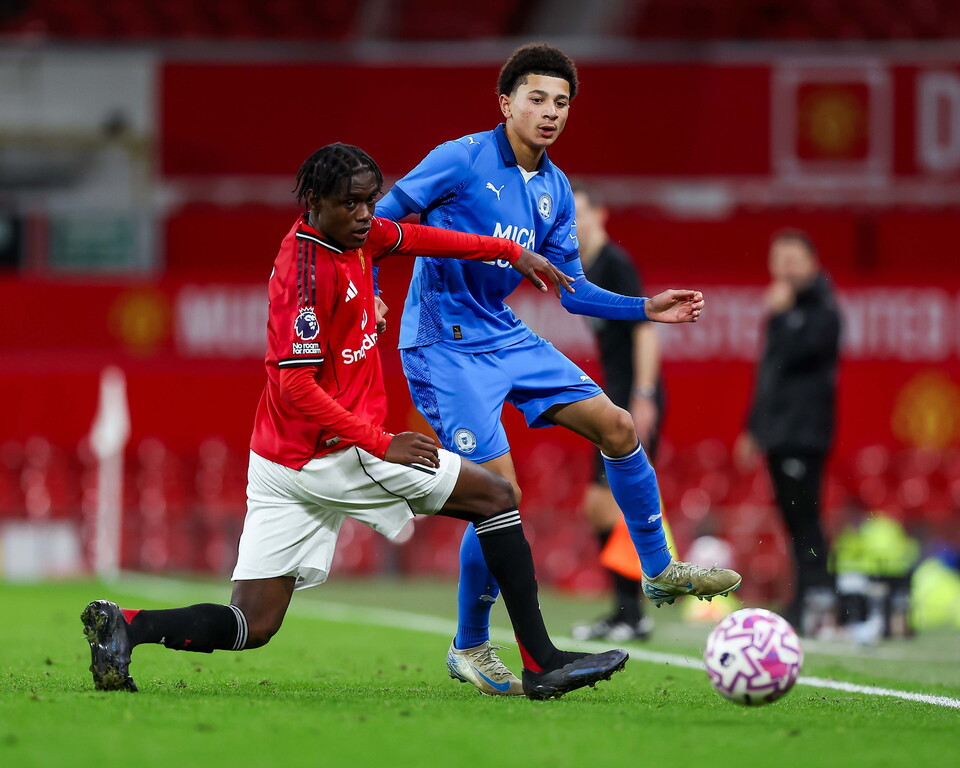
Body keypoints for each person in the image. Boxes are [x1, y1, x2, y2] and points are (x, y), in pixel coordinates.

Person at [81, 143, 629, 701]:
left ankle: (129, 627)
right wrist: (381, 442)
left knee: (253, 622)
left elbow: (423, 238)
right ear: (314, 203)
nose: (366, 214)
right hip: (335, 452)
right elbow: (296, 386)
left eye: (370, 200)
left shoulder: (355, 237)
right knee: (497, 496)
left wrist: (509, 252)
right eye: (351, 204)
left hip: (278, 459)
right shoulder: (304, 275)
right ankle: (540, 662)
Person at [375, 43, 741, 696]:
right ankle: (471, 644)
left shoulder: (555, 188)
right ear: (506, 103)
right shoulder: (460, 159)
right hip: (442, 346)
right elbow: (379, 221)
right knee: (499, 496)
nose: (550, 112)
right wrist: (370, 291)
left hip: (504, 334)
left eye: (562, 103)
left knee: (619, 427)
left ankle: (658, 571)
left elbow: (573, 292)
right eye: (537, 98)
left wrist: (643, 308)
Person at [568, 180, 663, 644]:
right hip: (614, 396)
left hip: (629, 399)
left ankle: (632, 613)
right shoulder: (583, 270)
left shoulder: (614, 264)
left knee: (611, 504)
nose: (573, 222)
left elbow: (645, 331)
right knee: (598, 506)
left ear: (600, 215)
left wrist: (643, 396)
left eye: (580, 212)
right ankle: (627, 611)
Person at [736, 228, 841, 637]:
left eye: (793, 260)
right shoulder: (783, 312)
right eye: (779, 260)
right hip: (778, 433)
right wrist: (752, 429)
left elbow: (800, 356)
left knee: (805, 518)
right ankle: (806, 597)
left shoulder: (824, 310)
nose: (785, 269)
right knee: (792, 519)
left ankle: (817, 596)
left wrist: (782, 315)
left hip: (804, 433)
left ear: (813, 264)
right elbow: (768, 375)